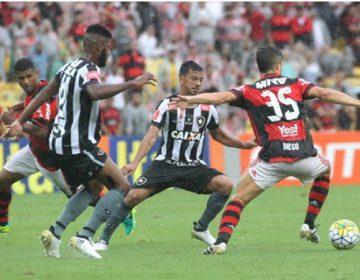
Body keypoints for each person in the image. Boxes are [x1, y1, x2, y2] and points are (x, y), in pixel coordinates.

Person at [170, 45, 360, 255]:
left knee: (238, 199)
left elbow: (221, 97)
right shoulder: (296, 84)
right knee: (325, 169)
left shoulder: (250, 90)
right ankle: (308, 223)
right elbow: (325, 93)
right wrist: (356, 103)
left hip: (272, 161)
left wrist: (191, 99)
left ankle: (221, 242)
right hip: (304, 156)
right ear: (279, 65)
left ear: (259, 67)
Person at [69, 60, 257, 256]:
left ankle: (200, 228)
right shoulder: (168, 105)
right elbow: (151, 136)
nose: (198, 83)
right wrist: (135, 162)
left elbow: (218, 135)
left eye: (200, 80)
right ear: (182, 78)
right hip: (164, 165)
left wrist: (242, 144)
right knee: (132, 196)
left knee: (225, 184)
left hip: (193, 167)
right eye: (194, 79)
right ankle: (103, 239)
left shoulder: (207, 108)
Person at [2, 24, 156, 259]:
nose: (109, 52)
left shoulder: (68, 66)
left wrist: (18, 121)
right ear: (97, 46)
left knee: (93, 188)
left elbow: (43, 95)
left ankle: (55, 233)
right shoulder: (89, 69)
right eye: (108, 48)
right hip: (78, 144)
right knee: (123, 188)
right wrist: (130, 84)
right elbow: (93, 92)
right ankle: (85, 236)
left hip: (58, 144)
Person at [0, 58, 73, 234]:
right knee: (2, 181)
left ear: (37, 73)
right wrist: (17, 109)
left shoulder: (44, 95)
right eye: (21, 78)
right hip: (34, 151)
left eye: (29, 76)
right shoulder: (38, 91)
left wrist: (15, 122)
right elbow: (30, 106)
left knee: (82, 197)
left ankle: (122, 208)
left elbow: (42, 131)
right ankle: (2, 224)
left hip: (53, 157)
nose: (25, 82)